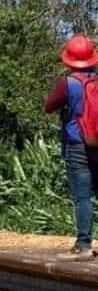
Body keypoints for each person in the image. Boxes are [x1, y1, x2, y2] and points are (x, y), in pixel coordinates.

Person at [45, 34, 98, 261]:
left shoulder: (69, 83)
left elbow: (49, 106)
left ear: (69, 60)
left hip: (78, 145)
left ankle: (83, 244)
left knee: (83, 197)